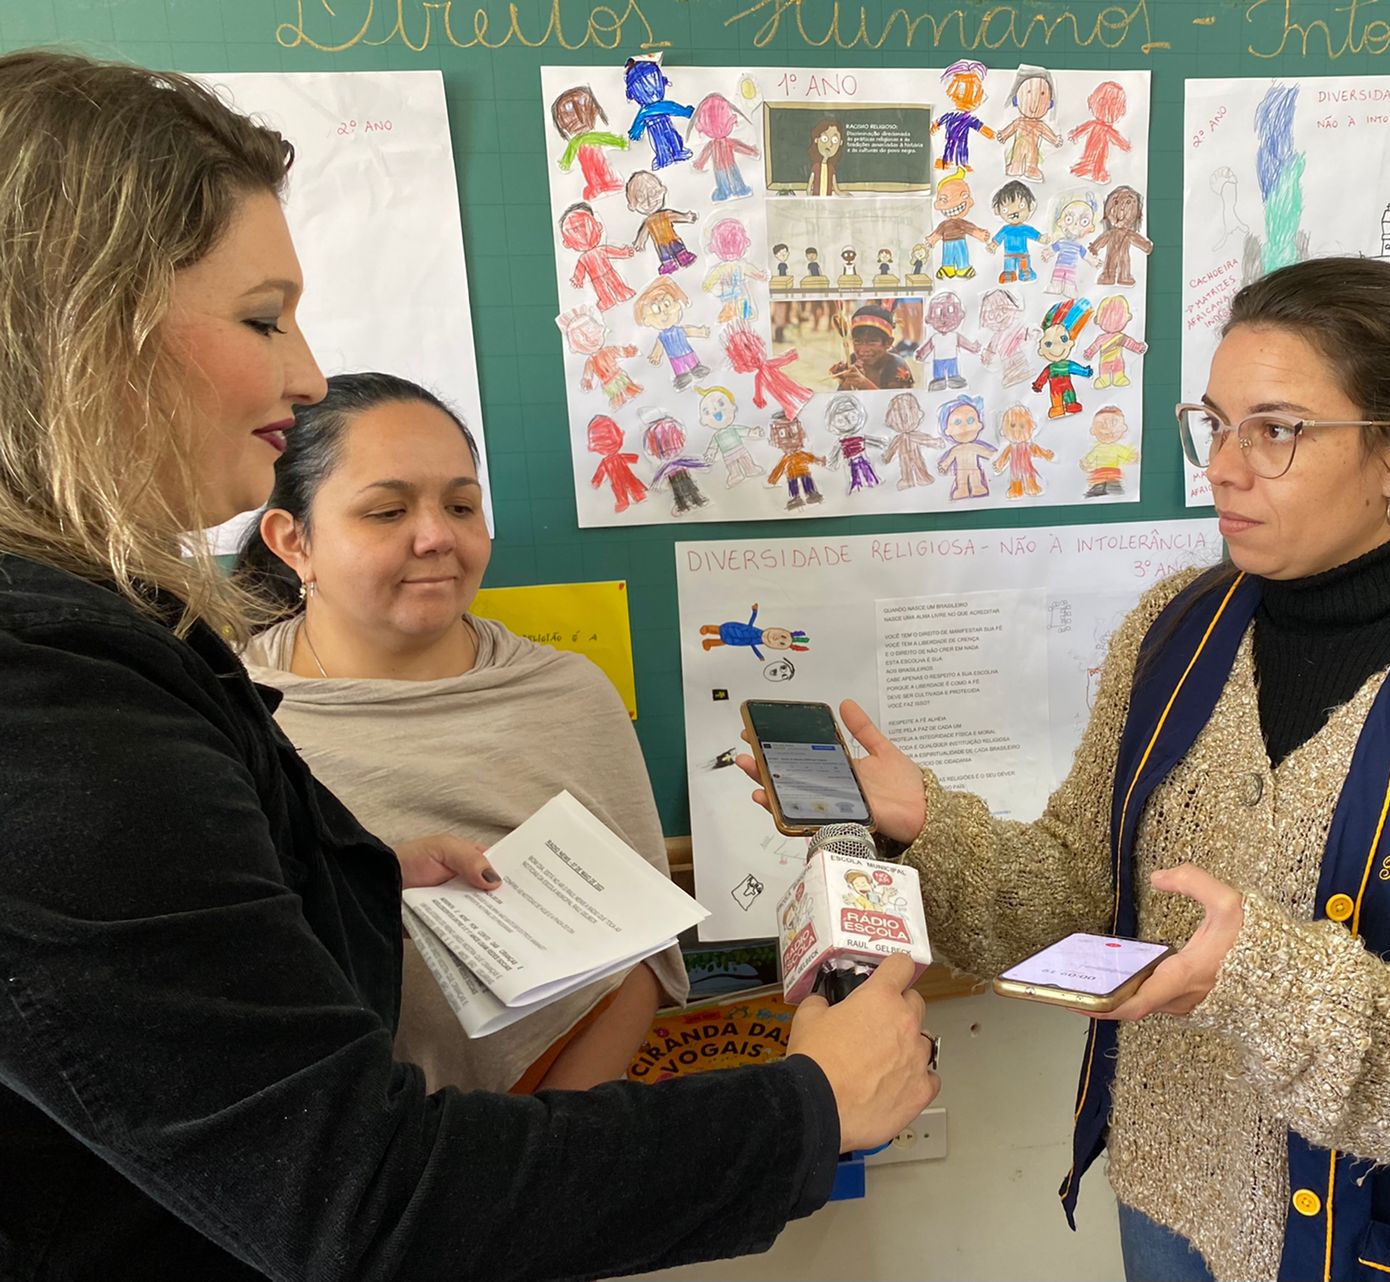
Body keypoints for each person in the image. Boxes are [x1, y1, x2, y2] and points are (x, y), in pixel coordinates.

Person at [0, 50, 940, 1281]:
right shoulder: (50, 704)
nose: (304, 372)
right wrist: (805, 1109)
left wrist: (338, 868)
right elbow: (363, 1200)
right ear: (88, 329)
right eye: (260, 317)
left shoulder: (108, 631)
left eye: (458, 501)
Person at [743, 258, 1390, 1282]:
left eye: (1275, 429)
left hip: (1368, 1240)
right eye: (1215, 422)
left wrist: (1255, 978)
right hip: (1163, 1200)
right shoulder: (1176, 626)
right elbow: (1078, 889)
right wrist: (928, 823)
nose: (1224, 467)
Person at [232, 373, 689, 1094]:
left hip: (554, 1133)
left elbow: (644, 953)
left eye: (461, 505)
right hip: (332, 1153)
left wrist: (537, 1148)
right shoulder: (232, 716)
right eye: (387, 511)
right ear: (295, 543)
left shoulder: (565, 695)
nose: (437, 536)